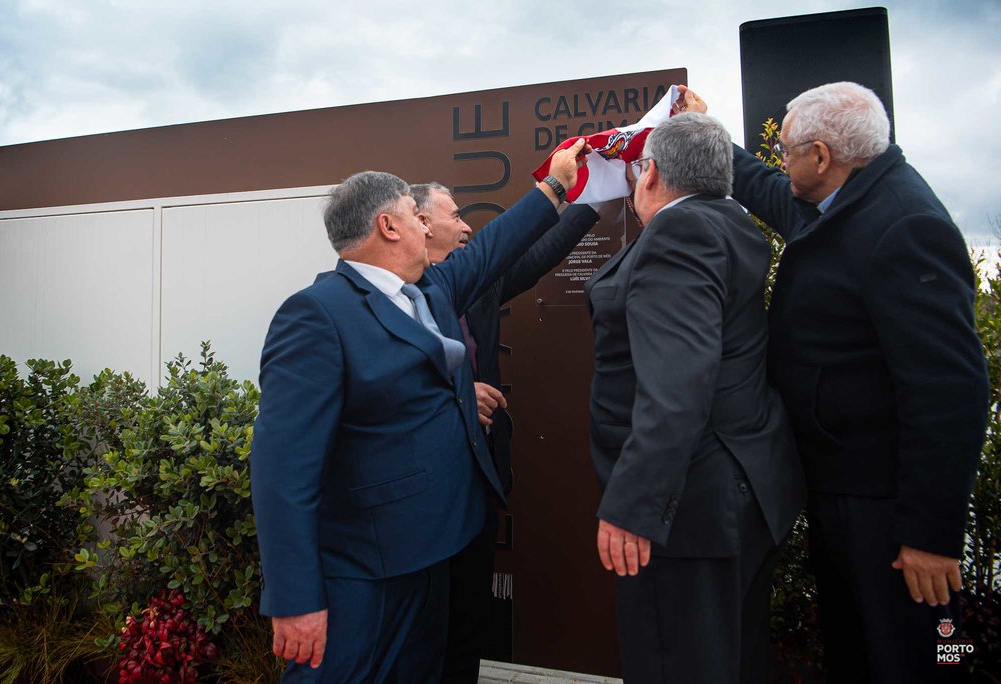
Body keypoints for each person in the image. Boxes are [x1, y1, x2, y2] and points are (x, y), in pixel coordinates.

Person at [680, 82, 989, 681]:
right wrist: (710, 131)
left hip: (887, 511)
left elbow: (951, 390)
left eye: (789, 150)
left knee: (910, 656)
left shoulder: (904, 226)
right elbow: (771, 192)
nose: (782, 162)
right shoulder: (850, 194)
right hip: (843, 484)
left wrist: (930, 535)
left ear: (822, 156)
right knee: (856, 650)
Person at [250, 141, 585, 683]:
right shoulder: (316, 315)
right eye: (415, 217)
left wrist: (556, 187)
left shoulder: (431, 289)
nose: (428, 230)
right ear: (388, 225)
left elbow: (495, 247)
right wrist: (293, 598)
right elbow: (281, 471)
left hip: (438, 554)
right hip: (366, 575)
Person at [584, 112, 805, 683]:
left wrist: (636, 505)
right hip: (740, 492)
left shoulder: (679, 233)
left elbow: (678, 387)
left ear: (651, 173)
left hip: (689, 513)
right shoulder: (733, 221)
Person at [411, 182, 600, 683]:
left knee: (469, 622)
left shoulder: (479, 283)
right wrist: (456, 394)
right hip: (424, 494)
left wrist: (596, 196)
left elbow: (541, 250)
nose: (468, 225)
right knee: (426, 625)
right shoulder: (392, 295)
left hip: (480, 480)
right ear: (421, 224)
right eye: (454, 215)